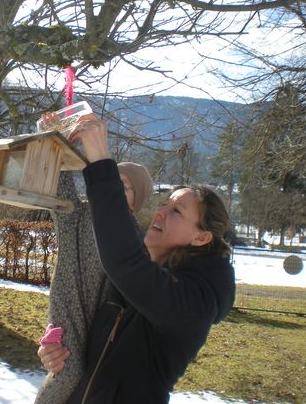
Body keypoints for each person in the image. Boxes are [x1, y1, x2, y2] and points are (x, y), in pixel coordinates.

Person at [38, 113, 235, 403]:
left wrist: (100, 160)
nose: (160, 212)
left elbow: (124, 262)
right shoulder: (144, 275)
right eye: (164, 204)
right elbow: (82, 314)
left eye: (176, 211)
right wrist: (55, 347)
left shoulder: (195, 302)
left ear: (201, 237)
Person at [34, 155, 153, 404]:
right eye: (113, 182)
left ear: (136, 201)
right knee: (66, 373)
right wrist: (59, 149)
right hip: (69, 308)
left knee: (86, 384)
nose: (115, 190)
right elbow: (61, 189)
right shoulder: (83, 212)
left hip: (103, 323)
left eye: (125, 187)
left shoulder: (134, 238)